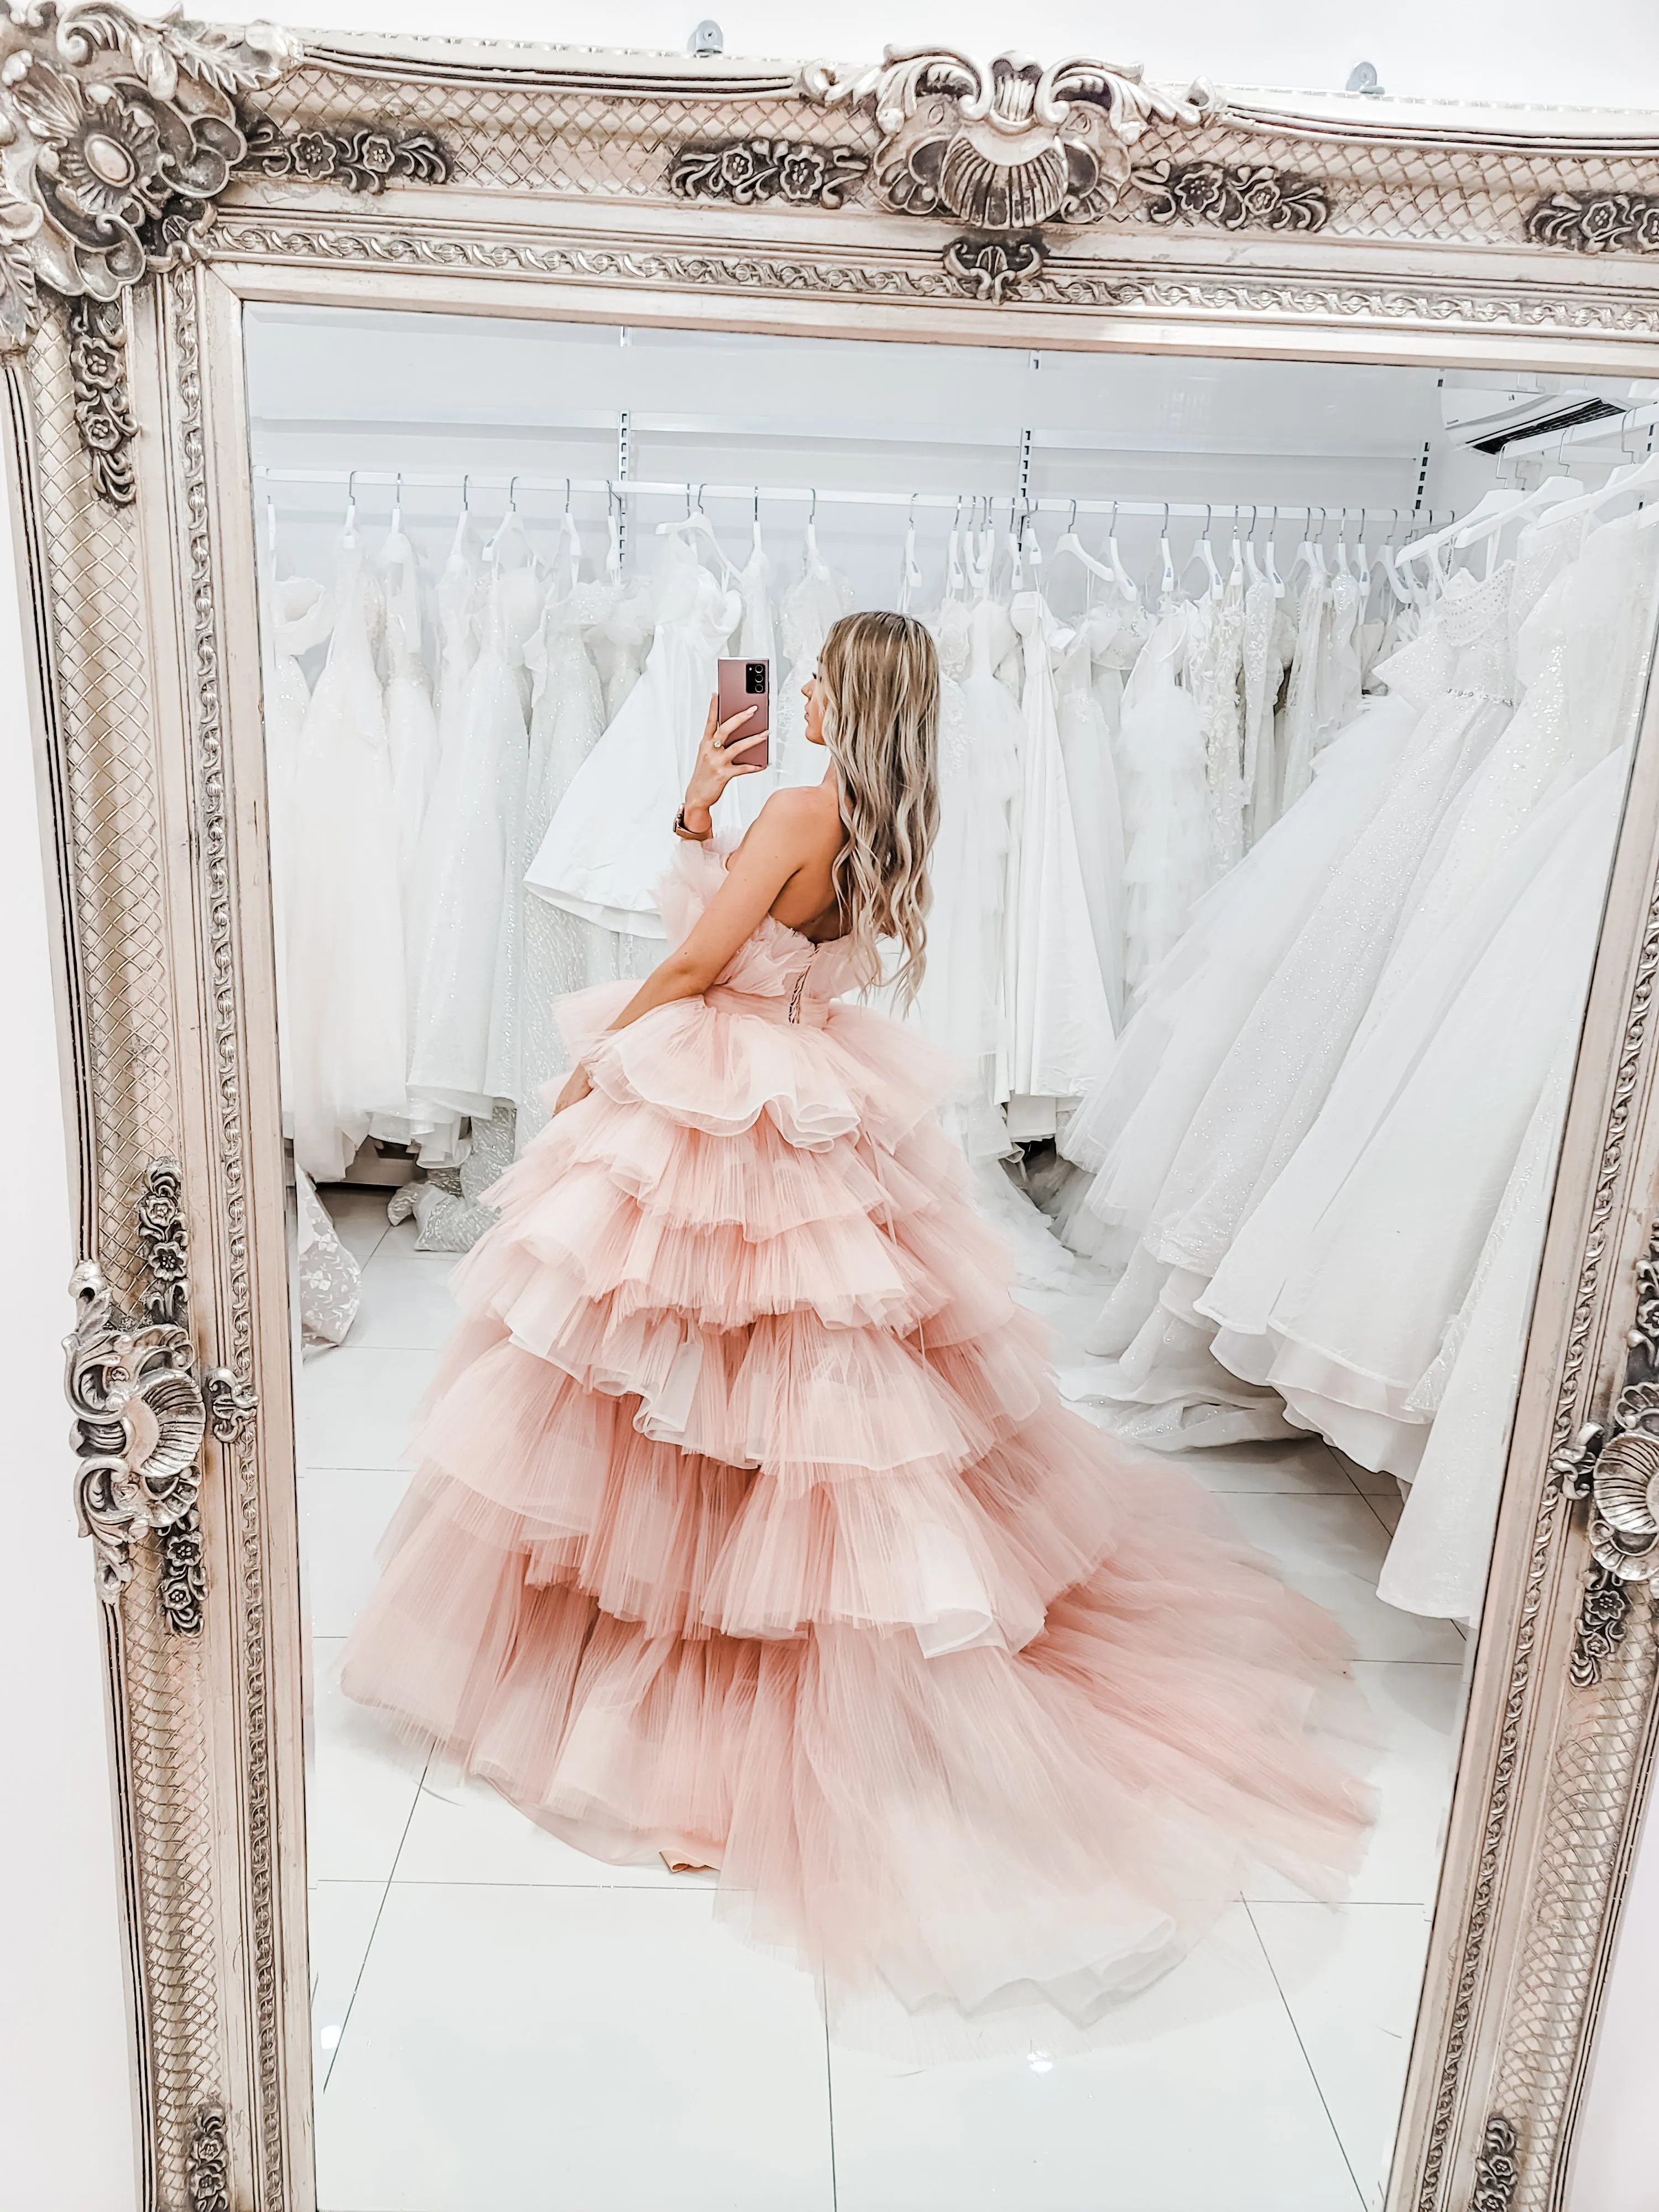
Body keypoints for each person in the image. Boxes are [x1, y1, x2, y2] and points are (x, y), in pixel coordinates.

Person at [341, 610, 1370, 2043]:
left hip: (728, 1091)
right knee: (774, 1385)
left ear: (854, 691)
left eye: (820, 669)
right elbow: (752, 927)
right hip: (808, 1089)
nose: (802, 682)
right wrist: (702, 797)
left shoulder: (807, 806)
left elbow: (698, 962)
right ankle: (722, 1640)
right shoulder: (877, 820)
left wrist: (595, 1065)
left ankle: (686, 1689)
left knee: (670, 1374)